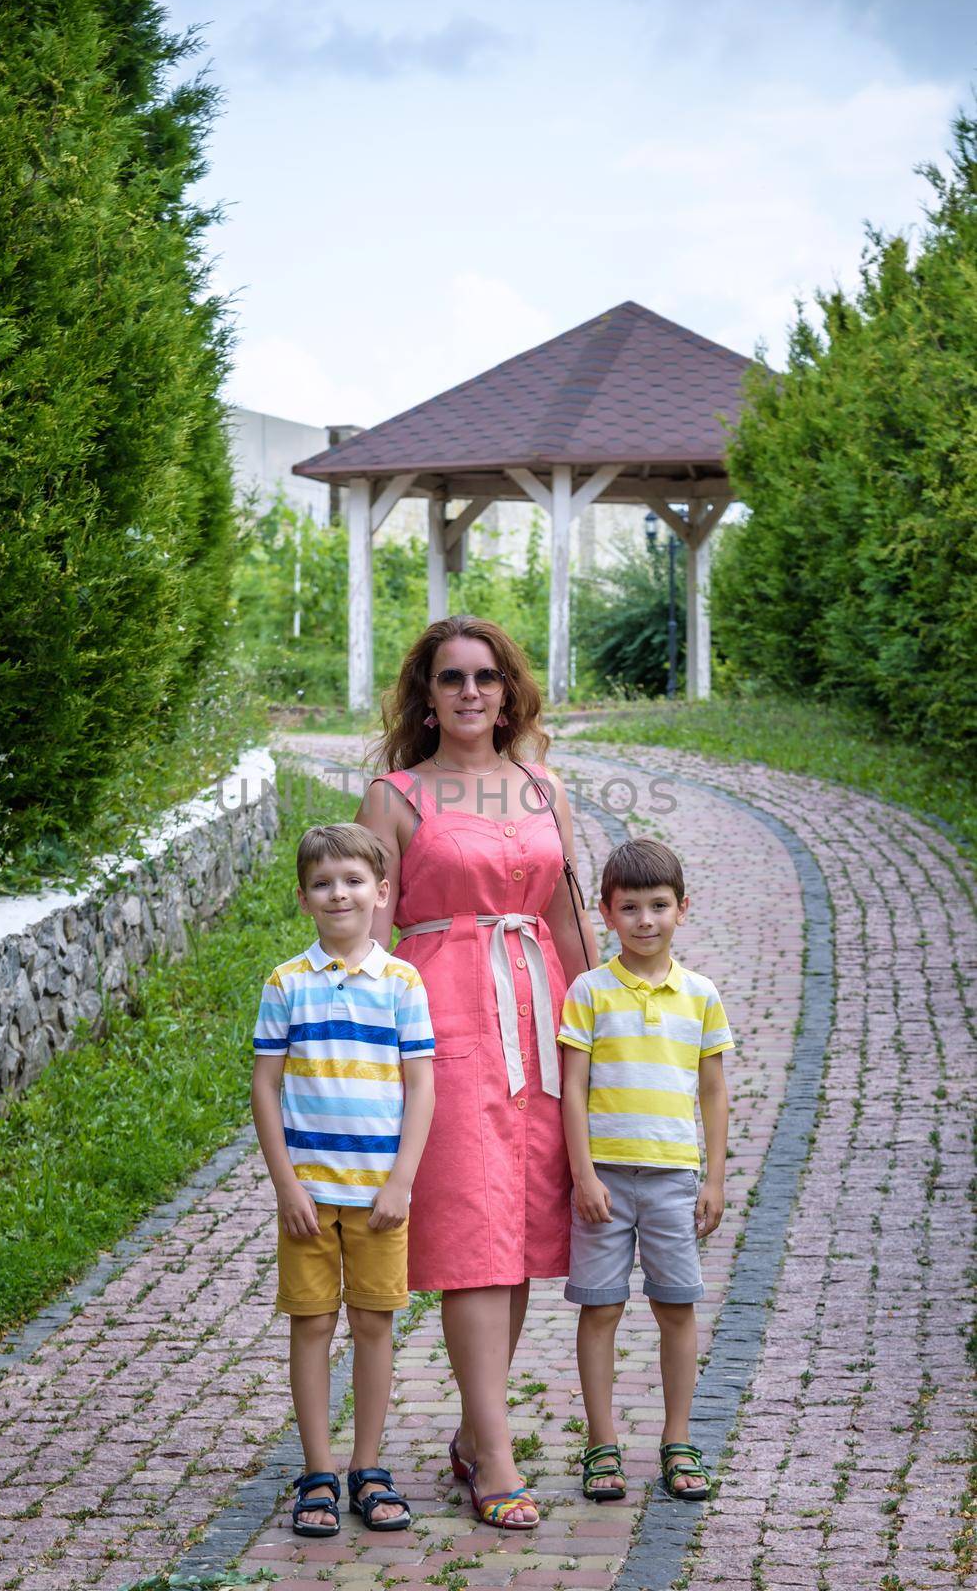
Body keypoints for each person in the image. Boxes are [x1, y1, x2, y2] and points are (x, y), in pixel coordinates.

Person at [355, 615, 599, 1530]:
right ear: (425, 694)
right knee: (471, 1235)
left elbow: (570, 921)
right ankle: (495, 1458)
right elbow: (370, 939)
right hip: (444, 1022)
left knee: (527, 1229)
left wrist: (593, 1028)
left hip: (536, 1016)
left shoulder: (542, 789)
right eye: (450, 678)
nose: (469, 693)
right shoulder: (394, 795)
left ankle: (472, 1431)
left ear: (508, 691)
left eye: (485, 677)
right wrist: (369, 1048)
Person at [251, 823, 436, 1537]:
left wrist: (400, 1183)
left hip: (378, 1196)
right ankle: (317, 1472)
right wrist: (286, 1186)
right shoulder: (285, 984)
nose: (339, 894)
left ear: (381, 893)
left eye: (354, 881)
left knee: (372, 1323)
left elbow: (421, 1088)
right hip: (308, 1196)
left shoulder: (402, 983)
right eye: (323, 883)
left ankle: (368, 1468)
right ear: (303, 898)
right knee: (311, 1324)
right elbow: (266, 1089)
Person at [559, 838, 732, 1504]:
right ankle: (601, 1443)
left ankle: (678, 1439)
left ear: (682, 909)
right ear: (606, 912)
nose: (645, 920)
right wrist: (582, 1175)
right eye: (629, 907)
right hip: (604, 1178)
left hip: (671, 1178)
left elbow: (713, 1091)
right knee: (600, 1308)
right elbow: (573, 1089)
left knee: (676, 1306)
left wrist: (713, 1178)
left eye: (659, 906)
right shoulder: (589, 991)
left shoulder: (701, 996)